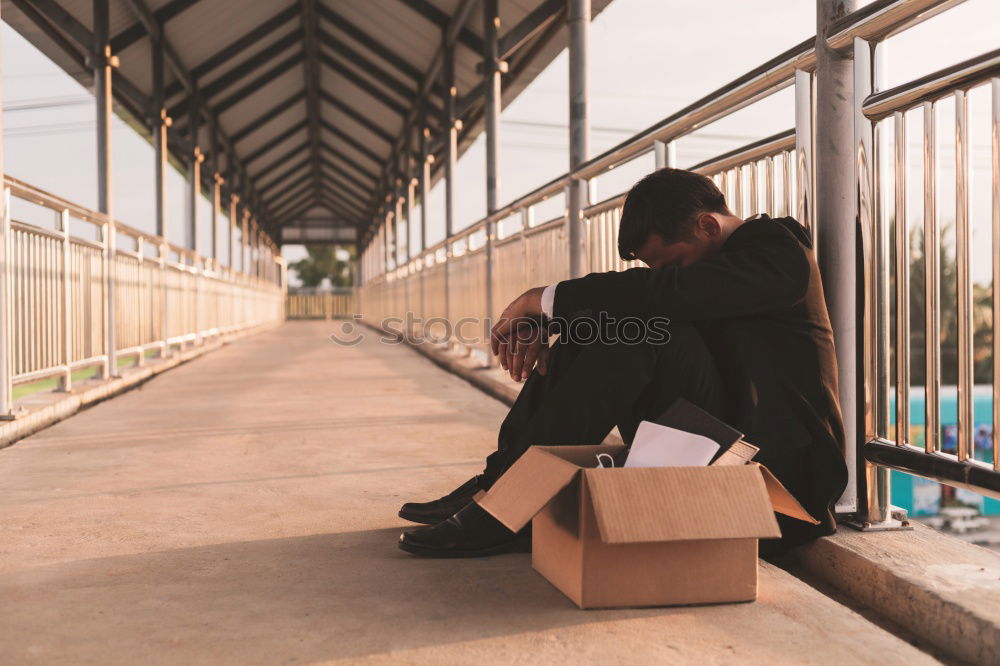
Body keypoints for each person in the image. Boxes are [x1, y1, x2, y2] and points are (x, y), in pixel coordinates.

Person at [397, 168, 848, 558]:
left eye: (671, 266)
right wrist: (558, 333)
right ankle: (501, 487)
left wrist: (545, 299)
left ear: (708, 226)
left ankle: (514, 504)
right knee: (608, 323)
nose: (664, 277)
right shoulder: (720, 266)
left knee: (640, 322)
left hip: (779, 488)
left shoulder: (779, 251)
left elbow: (670, 295)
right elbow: (660, 296)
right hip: (716, 447)